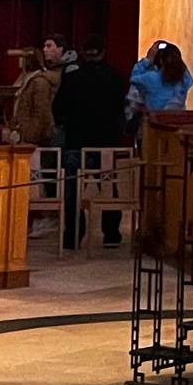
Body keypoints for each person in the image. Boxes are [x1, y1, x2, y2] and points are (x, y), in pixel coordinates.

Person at [54, 39, 131, 248]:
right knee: (108, 186)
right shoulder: (115, 77)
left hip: (77, 140)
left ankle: (73, 235)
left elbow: (58, 108)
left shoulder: (72, 78)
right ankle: (111, 233)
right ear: (104, 52)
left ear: (82, 51)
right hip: (107, 140)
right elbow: (121, 107)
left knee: (73, 190)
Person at [13, 34, 71, 147]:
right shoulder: (35, 78)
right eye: (44, 46)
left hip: (41, 134)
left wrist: (31, 134)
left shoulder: (41, 81)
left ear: (61, 49)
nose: (45, 50)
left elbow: (41, 111)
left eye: (49, 46)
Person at [128, 40, 193, 121]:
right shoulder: (183, 79)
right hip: (177, 122)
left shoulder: (151, 77)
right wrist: (174, 55)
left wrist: (148, 59)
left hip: (155, 123)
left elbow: (134, 78)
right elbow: (189, 78)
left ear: (160, 60)